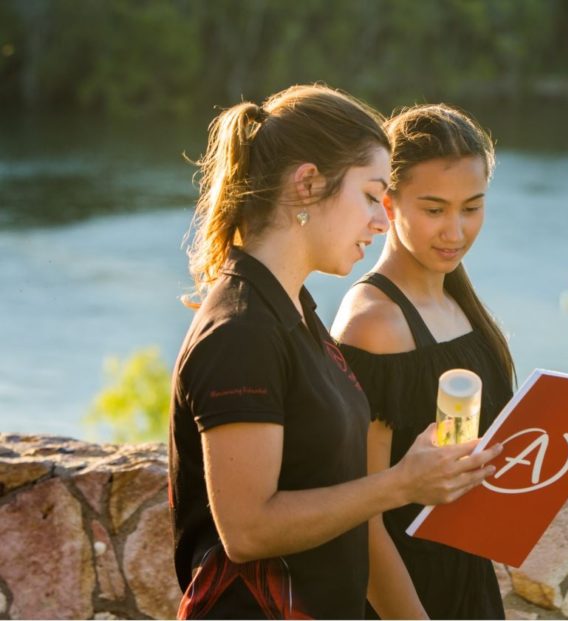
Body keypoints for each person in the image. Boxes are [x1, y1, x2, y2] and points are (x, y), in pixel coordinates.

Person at [169, 85, 502, 620]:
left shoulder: (293, 311)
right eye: (371, 196)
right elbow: (248, 530)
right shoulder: (241, 330)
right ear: (307, 185)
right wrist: (399, 484)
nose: (379, 220)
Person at [330, 104, 515, 620]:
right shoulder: (375, 325)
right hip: (403, 599)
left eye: (471, 207)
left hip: (469, 583)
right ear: (387, 204)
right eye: (434, 210)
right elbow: (358, 516)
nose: (455, 231)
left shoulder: (459, 303)